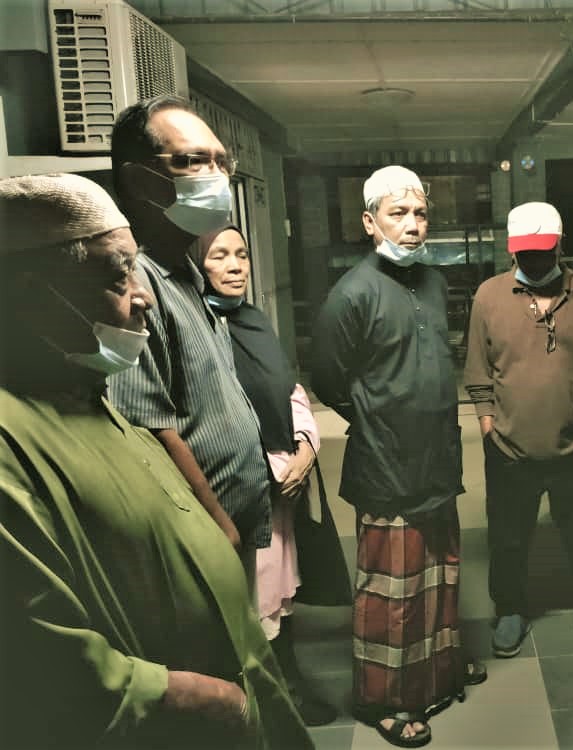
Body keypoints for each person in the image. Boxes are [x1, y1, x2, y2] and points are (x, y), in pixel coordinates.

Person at [0, 172, 312, 750]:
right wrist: (206, 699)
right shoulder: (12, 438)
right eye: (116, 274)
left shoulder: (87, 394)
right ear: (32, 291)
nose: (141, 295)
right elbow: (39, 658)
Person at [311, 165, 485, 748]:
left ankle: (438, 672)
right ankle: (381, 699)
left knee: (439, 574)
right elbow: (328, 378)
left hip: (437, 457)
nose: (413, 225)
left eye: (420, 214)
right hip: (386, 464)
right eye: (398, 214)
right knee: (392, 593)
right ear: (370, 222)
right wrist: (378, 419)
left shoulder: (432, 282)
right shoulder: (352, 293)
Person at [192, 225, 352, 726]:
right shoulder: (196, 329)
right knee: (250, 594)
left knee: (278, 590)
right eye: (220, 256)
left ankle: (286, 686)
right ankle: (263, 702)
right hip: (235, 487)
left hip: (283, 484)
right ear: (197, 265)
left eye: (241, 254)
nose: (235, 265)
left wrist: (305, 447)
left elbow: (289, 389)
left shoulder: (254, 321)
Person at [107, 95, 271, 574]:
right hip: (198, 538)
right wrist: (219, 527)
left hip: (227, 529)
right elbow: (147, 430)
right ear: (139, 179)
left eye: (221, 162)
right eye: (193, 161)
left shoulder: (188, 276)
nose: (216, 177)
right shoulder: (134, 284)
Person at [463, 201, 573, 663]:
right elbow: (478, 367)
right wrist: (488, 422)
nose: (533, 260)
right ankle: (510, 609)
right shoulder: (489, 295)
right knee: (508, 537)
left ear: (560, 245)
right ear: (511, 250)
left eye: (543, 250)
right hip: (509, 447)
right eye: (525, 252)